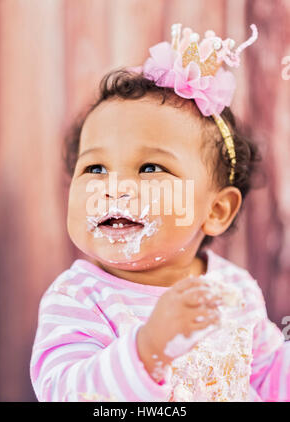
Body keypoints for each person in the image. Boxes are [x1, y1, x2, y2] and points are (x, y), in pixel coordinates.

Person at [30, 23, 290, 402]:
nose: (114, 187)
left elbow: (271, 380)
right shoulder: (79, 298)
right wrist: (147, 350)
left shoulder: (234, 289)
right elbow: (65, 392)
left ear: (217, 210)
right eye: (95, 169)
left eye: (151, 168)